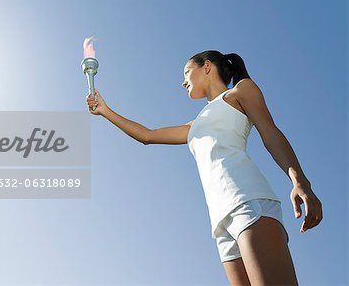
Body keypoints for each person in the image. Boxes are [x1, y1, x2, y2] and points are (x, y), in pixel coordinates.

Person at [85, 50, 323, 285]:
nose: (182, 82)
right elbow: (147, 135)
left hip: (249, 201)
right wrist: (105, 111)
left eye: (187, 72)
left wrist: (299, 181)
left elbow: (270, 134)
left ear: (207, 66)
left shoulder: (241, 91)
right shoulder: (195, 124)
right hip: (220, 223)